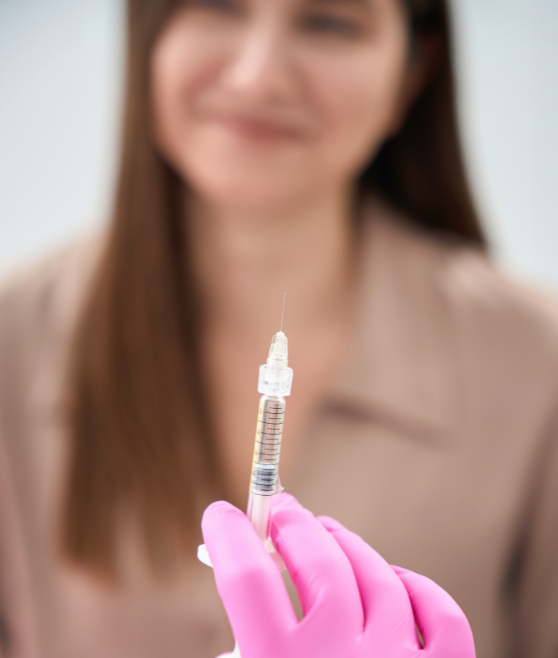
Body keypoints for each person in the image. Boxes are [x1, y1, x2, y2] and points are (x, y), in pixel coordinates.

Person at [0, 0, 556, 656]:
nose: (258, 76)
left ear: (412, 70)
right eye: (216, 5)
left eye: (330, 22)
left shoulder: (534, 360)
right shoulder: (14, 339)